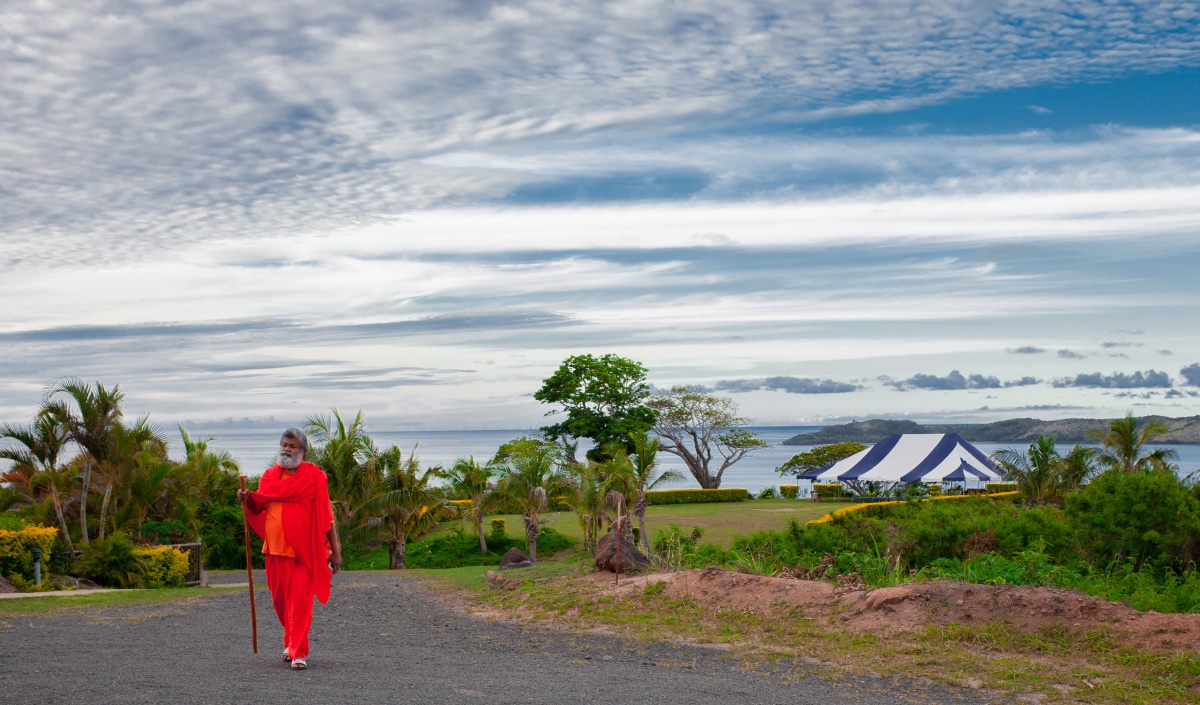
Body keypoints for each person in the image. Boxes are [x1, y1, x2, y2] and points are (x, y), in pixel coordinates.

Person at [238, 428, 341, 670]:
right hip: (274, 550)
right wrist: (246, 498)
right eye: (284, 444)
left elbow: (327, 516)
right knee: (281, 602)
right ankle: (291, 641)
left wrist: (335, 551)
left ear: (303, 451)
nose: (287, 449)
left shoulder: (315, 477)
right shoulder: (269, 477)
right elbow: (258, 504)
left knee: (301, 603)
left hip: (303, 551)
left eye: (292, 446)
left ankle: (299, 652)